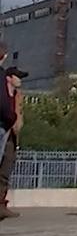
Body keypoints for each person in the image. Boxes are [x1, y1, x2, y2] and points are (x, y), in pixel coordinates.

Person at [0, 61, 26, 222]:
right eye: (18, 77)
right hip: (3, 129)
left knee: (5, 170)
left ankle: (1, 205)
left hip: (11, 136)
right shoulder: (3, 93)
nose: (20, 80)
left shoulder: (18, 96)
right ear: (9, 78)